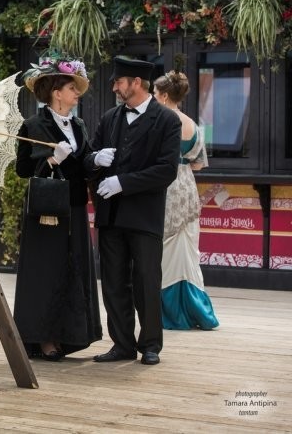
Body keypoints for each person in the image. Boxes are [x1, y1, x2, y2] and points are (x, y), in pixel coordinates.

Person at [84, 56, 181, 366]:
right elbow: (90, 158)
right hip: (110, 217)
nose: (114, 86)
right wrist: (95, 159)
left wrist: (123, 182)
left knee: (146, 281)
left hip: (144, 218)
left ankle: (150, 344)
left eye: (118, 82)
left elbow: (166, 171)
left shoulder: (167, 120)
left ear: (136, 83)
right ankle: (122, 345)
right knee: (113, 283)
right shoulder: (109, 118)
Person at [12, 55, 103, 361]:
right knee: (47, 271)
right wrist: (51, 160)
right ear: (56, 92)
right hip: (46, 211)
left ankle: (72, 334)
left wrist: (95, 159)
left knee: (75, 266)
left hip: (75, 205)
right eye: (71, 87)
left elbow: (84, 160)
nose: (77, 93)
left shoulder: (78, 124)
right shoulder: (33, 125)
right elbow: (22, 169)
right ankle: (45, 338)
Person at [152, 70, 220, 330]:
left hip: (164, 185)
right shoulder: (193, 124)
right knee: (187, 251)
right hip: (186, 186)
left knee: (163, 250)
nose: (154, 98)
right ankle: (196, 311)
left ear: (165, 95)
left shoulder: (160, 122)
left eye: (156, 94)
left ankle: (168, 311)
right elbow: (199, 165)